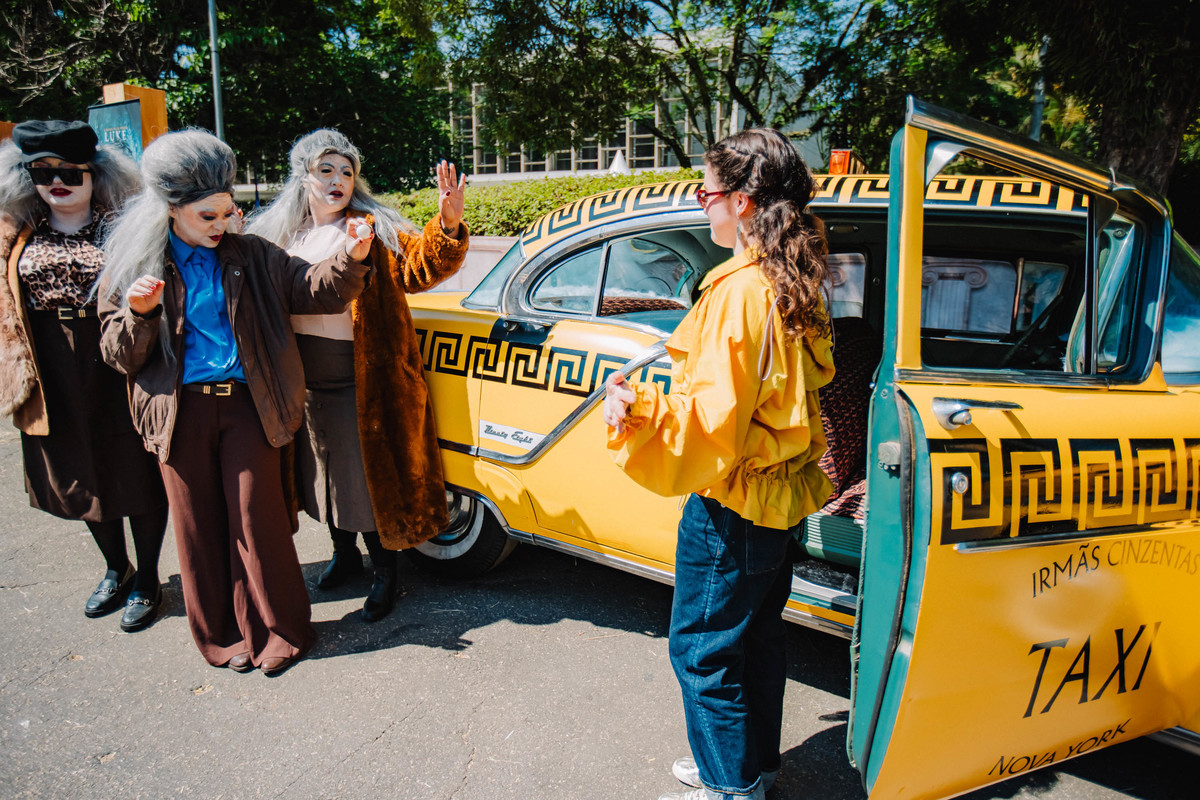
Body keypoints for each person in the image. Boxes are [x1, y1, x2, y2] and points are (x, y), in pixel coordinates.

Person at [602, 128, 835, 800]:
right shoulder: (792, 279)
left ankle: (730, 788)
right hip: (778, 499)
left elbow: (712, 429)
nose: (701, 203)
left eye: (706, 192)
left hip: (732, 504)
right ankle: (746, 766)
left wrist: (636, 408)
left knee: (701, 652)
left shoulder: (737, 291)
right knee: (756, 639)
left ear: (741, 201)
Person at [97, 130, 373, 675]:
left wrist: (352, 257)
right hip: (178, 413)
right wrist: (140, 314)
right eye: (208, 216)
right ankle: (222, 636)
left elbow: (311, 289)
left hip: (250, 405)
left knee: (258, 520)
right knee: (197, 528)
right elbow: (118, 354)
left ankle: (280, 631)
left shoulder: (253, 253)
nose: (222, 225)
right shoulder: (136, 264)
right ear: (170, 210)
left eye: (228, 212)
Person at [246, 129, 468, 622]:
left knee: (366, 483)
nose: (338, 180)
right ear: (303, 177)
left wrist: (448, 227)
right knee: (321, 477)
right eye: (326, 170)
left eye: (346, 172)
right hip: (302, 382)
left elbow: (422, 267)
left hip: (363, 382)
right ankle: (343, 555)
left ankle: (385, 573)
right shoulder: (280, 236)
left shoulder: (372, 229)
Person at [0, 119, 170, 632]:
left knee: (135, 468)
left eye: (71, 172)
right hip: (49, 366)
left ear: (96, 176)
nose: (57, 181)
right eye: (42, 172)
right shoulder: (15, 233)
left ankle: (148, 579)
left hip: (118, 357)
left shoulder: (123, 227)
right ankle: (117, 569)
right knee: (78, 471)